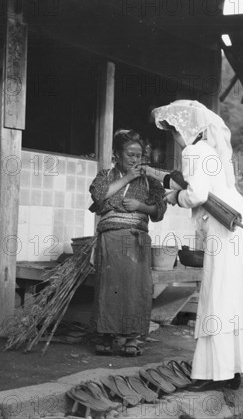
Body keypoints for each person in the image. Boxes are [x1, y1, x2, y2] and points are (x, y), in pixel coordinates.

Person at [143, 100, 243, 390]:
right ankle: (231, 372)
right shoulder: (211, 151)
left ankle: (212, 374)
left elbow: (197, 195)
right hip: (242, 225)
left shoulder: (194, 151)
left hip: (227, 229)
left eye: (174, 132)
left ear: (185, 129)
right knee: (235, 296)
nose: (176, 139)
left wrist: (174, 198)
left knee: (218, 296)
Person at [89, 129, 167, 356]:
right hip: (110, 239)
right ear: (117, 155)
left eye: (138, 155)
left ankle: (132, 338)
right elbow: (99, 196)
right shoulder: (105, 175)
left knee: (135, 289)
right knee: (108, 288)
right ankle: (105, 335)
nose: (135, 159)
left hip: (136, 240)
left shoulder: (151, 182)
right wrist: (127, 178)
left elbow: (159, 210)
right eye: (130, 154)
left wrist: (141, 207)